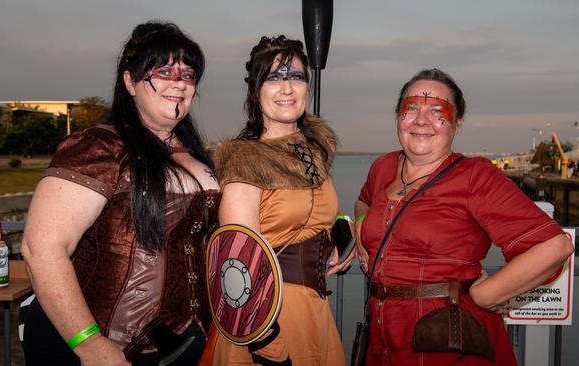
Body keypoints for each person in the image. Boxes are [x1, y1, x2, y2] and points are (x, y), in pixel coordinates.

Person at [20, 21, 219, 366]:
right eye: (164, 70)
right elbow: (41, 249)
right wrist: (90, 345)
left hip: (184, 343)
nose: (179, 82)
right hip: (107, 348)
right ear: (130, 81)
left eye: (187, 75)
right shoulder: (99, 147)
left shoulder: (198, 154)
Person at [353, 68, 574, 365]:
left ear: (457, 124)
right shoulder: (383, 167)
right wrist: (361, 242)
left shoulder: (475, 176)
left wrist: (488, 293)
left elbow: (554, 246)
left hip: (447, 342)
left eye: (437, 111)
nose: (421, 120)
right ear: (398, 117)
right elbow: (363, 203)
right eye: (411, 109)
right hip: (382, 341)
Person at [210, 35, 349, 365]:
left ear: (307, 86)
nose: (287, 88)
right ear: (254, 89)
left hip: (315, 311)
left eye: (296, 76)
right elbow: (237, 266)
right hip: (266, 320)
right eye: (273, 77)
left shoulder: (315, 151)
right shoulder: (245, 160)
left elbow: (317, 217)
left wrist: (343, 234)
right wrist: (267, 346)